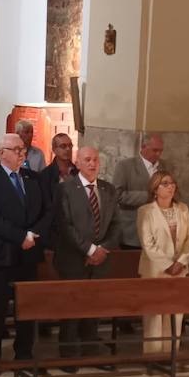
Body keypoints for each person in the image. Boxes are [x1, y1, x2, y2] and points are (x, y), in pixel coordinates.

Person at [0, 133, 53, 377]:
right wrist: (21, 237)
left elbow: (48, 211)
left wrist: (34, 234)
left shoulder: (33, 178)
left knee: (26, 306)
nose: (22, 153)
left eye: (23, 149)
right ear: (1, 153)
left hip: (29, 255)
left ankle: (24, 353)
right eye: (16, 149)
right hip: (1, 255)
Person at [52, 146, 121, 361]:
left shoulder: (108, 189)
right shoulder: (65, 189)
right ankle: (69, 353)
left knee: (94, 306)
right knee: (72, 307)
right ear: (78, 163)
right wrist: (89, 249)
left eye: (96, 160)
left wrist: (102, 249)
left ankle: (91, 349)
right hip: (73, 258)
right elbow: (65, 225)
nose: (93, 164)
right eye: (87, 160)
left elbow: (116, 225)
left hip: (101, 259)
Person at [136, 171, 189, 354]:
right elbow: (147, 243)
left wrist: (182, 261)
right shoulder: (145, 211)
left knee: (175, 314)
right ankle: (153, 357)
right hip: (155, 270)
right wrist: (168, 265)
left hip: (179, 270)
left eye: (172, 183)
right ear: (155, 189)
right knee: (154, 316)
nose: (171, 186)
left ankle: (171, 355)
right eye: (165, 183)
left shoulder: (183, 209)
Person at [113, 133, 166, 250]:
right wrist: (149, 197)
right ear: (143, 147)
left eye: (161, 151)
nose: (158, 154)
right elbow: (117, 195)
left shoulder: (166, 167)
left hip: (158, 231)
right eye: (155, 150)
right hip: (132, 231)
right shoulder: (125, 166)